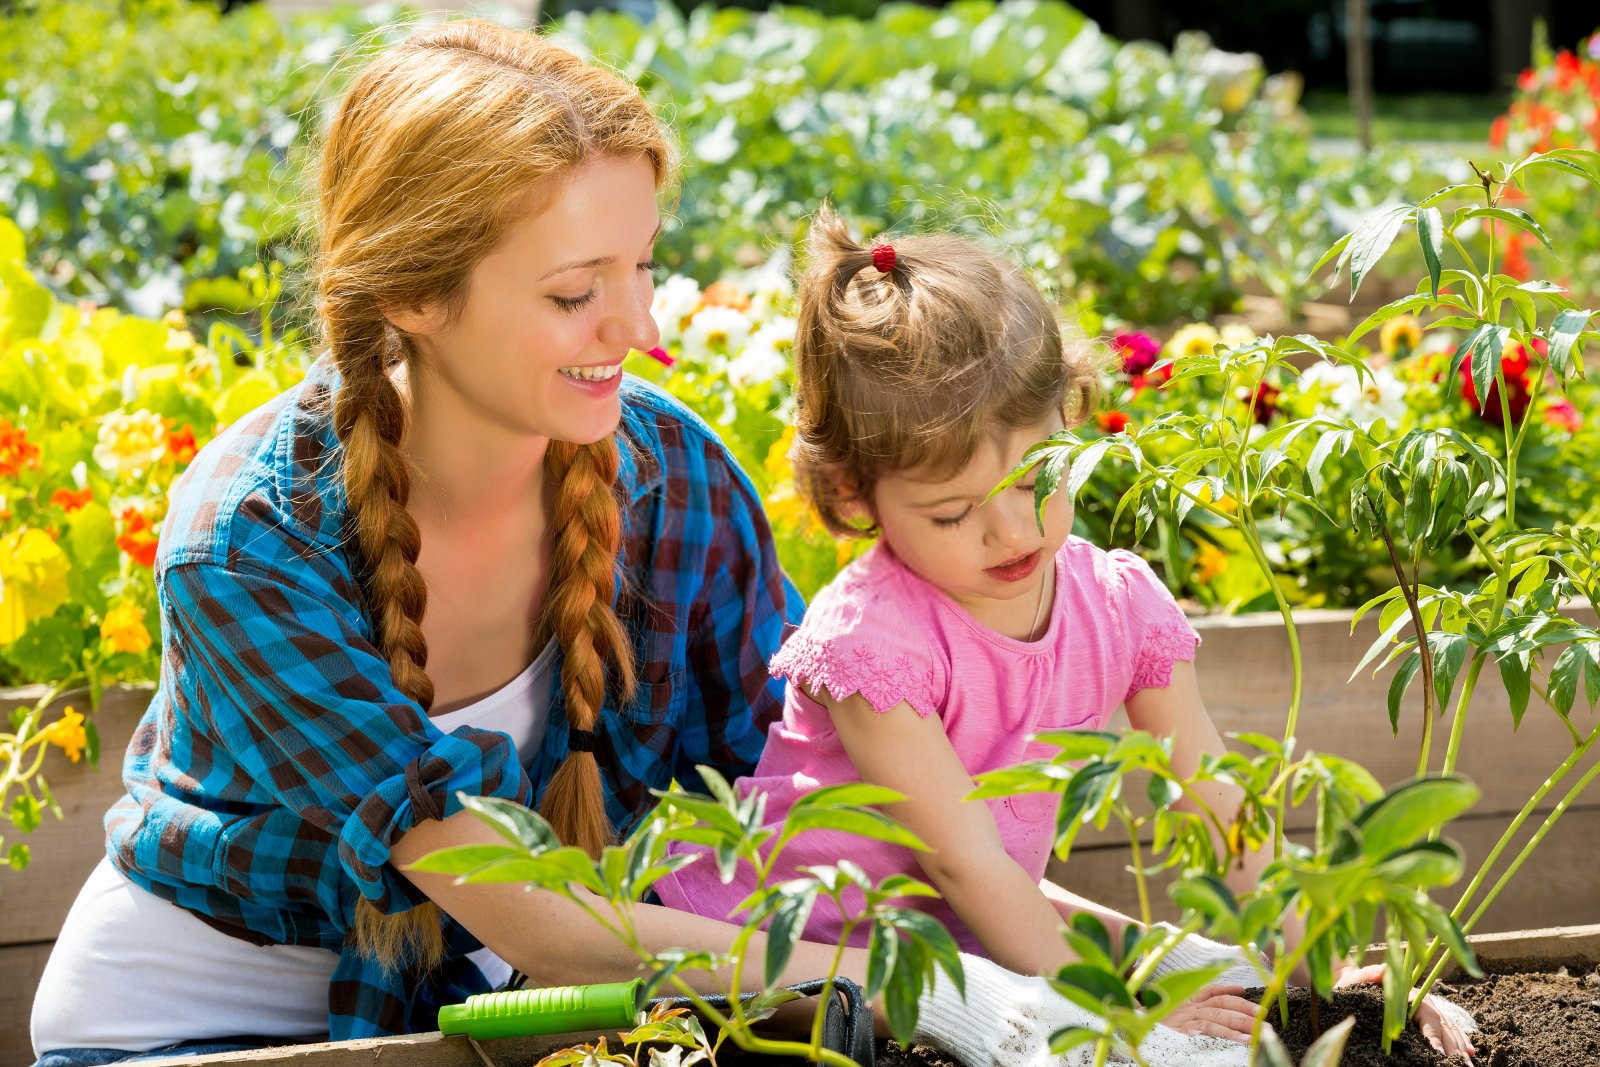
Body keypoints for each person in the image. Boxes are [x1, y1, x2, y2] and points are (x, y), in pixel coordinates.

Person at [26, 20, 1245, 1067]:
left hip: (497, 1017)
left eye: (644, 267)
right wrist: (925, 981)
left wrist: (1159, 964)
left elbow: (824, 837)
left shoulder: (674, 483)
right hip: (189, 1031)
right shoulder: (249, 544)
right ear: (410, 294)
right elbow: (540, 915)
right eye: (574, 291)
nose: (641, 323)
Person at [653, 208, 1479, 1063]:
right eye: (950, 512)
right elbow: (965, 865)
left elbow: (1224, 805)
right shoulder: (873, 642)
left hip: (962, 934)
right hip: (788, 953)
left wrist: (1329, 977)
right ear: (855, 497)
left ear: (1071, 415)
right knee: (1138, 1042)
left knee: (1231, 975)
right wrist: (1120, 1019)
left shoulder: (1114, 602)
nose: (1011, 531)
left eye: (1034, 479)